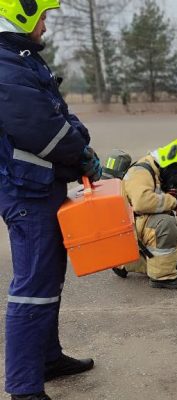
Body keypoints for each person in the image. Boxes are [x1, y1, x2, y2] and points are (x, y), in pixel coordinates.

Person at [0, 3, 101, 399]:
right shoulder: (6, 64)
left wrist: (80, 139)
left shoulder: (21, 59)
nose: (45, 25)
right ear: (22, 14)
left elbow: (57, 112)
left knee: (48, 278)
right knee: (32, 285)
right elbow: (41, 128)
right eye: (43, 16)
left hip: (41, 185)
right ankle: (24, 388)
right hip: (26, 189)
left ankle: (47, 358)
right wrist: (79, 155)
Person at [112, 139, 177, 289]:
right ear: (174, 165)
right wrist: (173, 202)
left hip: (138, 225)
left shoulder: (159, 170)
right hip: (129, 229)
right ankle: (162, 277)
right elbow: (142, 202)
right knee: (165, 222)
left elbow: (159, 196)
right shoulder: (141, 172)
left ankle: (125, 262)